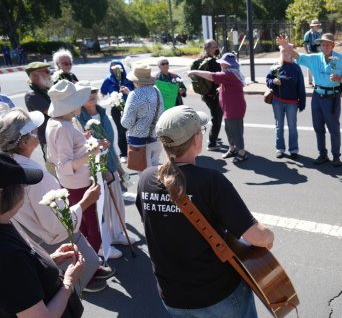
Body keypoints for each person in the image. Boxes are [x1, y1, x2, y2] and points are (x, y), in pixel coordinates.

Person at [136, 105, 274, 318]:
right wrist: (269, 235)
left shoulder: (146, 179)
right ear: (196, 139)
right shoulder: (211, 181)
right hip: (217, 294)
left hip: (172, 296)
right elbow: (257, 236)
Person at [0, 108, 112, 293]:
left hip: (34, 238)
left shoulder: (9, 166)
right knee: (69, 287)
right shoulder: (36, 178)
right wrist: (85, 201)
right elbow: (58, 224)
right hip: (56, 240)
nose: (38, 134)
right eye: (34, 132)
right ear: (25, 141)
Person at [0, 152, 85, 317]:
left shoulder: (6, 219)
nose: (25, 190)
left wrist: (47, 262)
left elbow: (20, 279)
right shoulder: (8, 256)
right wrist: (68, 283)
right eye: (21, 185)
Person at [46, 80, 106, 259]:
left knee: (82, 225)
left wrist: (83, 139)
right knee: (92, 227)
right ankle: (91, 270)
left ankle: (86, 264)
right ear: (70, 106)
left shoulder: (54, 123)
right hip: (79, 184)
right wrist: (92, 152)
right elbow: (65, 164)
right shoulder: (64, 128)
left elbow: (55, 156)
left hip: (70, 184)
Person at [75, 81, 138, 249]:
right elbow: (84, 149)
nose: (92, 94)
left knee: (117, 201)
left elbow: (110, 144)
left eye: (94, 91)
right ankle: (106, 241)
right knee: (103, 208)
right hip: (95, 169)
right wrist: (101, 172)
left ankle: (118, 233)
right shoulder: (78, 119)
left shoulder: (102, 112)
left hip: (111, 164)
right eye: (87, 92)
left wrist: (117, 166)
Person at [278, 34, 342, 167]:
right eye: (322, 44)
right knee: (318, 127)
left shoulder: (340, 59)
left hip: (332, 97)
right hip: (317, 96)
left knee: (333, 128)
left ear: (333, 45)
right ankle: (322, 154)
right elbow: (297, 56)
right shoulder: (315, 58)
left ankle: (336, 156)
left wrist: (339, 79)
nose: (324, 47)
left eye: (327, 44)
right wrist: (286, 47)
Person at [188, 53, 248, 163]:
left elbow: (211, 76)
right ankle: (232, 149)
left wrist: (194, 72)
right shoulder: (231, 73)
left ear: (227, 65)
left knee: (236, 131)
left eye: (222, 63)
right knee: (229, 129)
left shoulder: (229, 74)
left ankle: (242, 153)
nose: (220, 64)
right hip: (229, 108)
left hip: (234, 109)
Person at [266, 44, 306, 159]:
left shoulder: (296, 68)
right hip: (277, 101)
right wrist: (273, 81)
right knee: (279, 126)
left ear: (291, 52)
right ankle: (280, 149)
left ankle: (293, 149)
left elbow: (301, 87)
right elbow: (268, 79)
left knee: (292, 126)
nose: (285, 54)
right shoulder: (276, 66)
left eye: (287, 51)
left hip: (292, 103)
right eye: (283, 52)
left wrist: (302, 102)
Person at [121, 64, 164, 168]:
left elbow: (126, 123)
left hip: (139, 140)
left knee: (145, 175)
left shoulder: (134, 94)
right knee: (155, 171)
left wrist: (123, 114)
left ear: (135, 81)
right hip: (156, 137)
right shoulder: (156, 90)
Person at [100, 60, 134, 163]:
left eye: (117, 67)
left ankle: (134, 152)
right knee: (121, 130)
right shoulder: (108, 80)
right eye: (112, 67)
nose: (115, 69)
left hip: (130, 107)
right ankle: (123, 153)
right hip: (116, 108)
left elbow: (135, 92)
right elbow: (102, 93)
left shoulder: (129, 79)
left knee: (132, 130)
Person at [24, 61, 53, 163]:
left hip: (58, 136)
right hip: (50, 141)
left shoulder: (46, 90)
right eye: (46, 71)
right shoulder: (32, 95)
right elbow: (53, 111)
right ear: (34, 75)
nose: (50, 74)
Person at [197, 39, 223, 151]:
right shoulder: (212, 62)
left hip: (206, 94)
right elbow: (219, 76)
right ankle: (212, 143)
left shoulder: (202, 59)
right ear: (208, 49)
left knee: (216, 115)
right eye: (214, 47)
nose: (216, 48)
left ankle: (214, 137)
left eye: (217, 46)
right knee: (217, 118)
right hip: (213, 94)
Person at [303, 19, 322, 85]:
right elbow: (305, 43)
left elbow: (321, 42)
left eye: (318, 25)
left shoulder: (319, 33)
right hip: (310, 51)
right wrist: (307, 52)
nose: (317, 27)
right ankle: (310, 81)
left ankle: (317, 80)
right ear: (313, 26)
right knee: (310, 66)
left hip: (318, 51)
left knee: (318, 66)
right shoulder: (308, 34)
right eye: (316, 25)